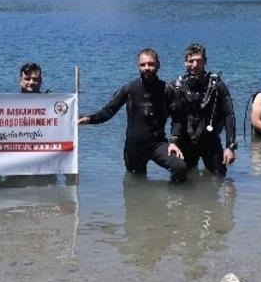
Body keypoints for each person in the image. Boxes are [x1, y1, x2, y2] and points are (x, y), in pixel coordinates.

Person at [78, 49, 187, 183]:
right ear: (138, 67)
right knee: (135, 185)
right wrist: (89, 119)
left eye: (150, 64)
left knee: (180, 167)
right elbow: (108, 111)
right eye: (143, 65)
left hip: (157, 144)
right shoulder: (129, 88)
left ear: (158, 65)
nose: (147, 68)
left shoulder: (167, 89)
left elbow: (178, 119)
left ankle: (173, 200)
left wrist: (174, 142)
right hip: (134, 147)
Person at [170, 43, 236, 176]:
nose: (194, 65)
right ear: (185, 63)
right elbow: (165, 115)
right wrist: (172, 143)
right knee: (179, 180)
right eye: (191, 61)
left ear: (205, 61)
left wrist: (230, 147)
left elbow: (230, 116)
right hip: (186, 141)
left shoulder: (218, 86)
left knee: (220, 178)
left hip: (210, 140)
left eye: (198, 61)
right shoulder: (176, 87)